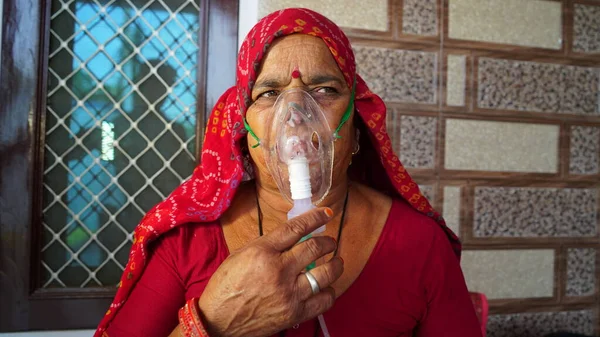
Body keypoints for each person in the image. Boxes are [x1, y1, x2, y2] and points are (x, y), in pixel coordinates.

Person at [95, 8, 482, 337]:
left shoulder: (419, 243)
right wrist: (213, 324)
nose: (295, 115)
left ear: (357, 122)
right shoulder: (188, 242)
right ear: (244, 131)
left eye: (325, 90)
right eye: (268, 94)